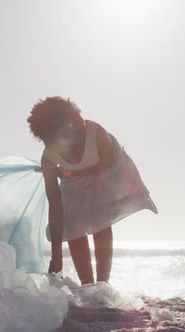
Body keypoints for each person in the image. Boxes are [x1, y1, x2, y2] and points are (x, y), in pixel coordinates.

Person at [27, 97, 157, 285]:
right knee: (73, 223)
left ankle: (103, 282)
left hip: (110, 172)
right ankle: (87, 285)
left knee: (99, 218)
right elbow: (55, 207)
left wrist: (67, 171)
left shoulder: (95, 133)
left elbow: (107, 171)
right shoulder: (48, 158)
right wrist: (56, 255)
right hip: (74, 180)